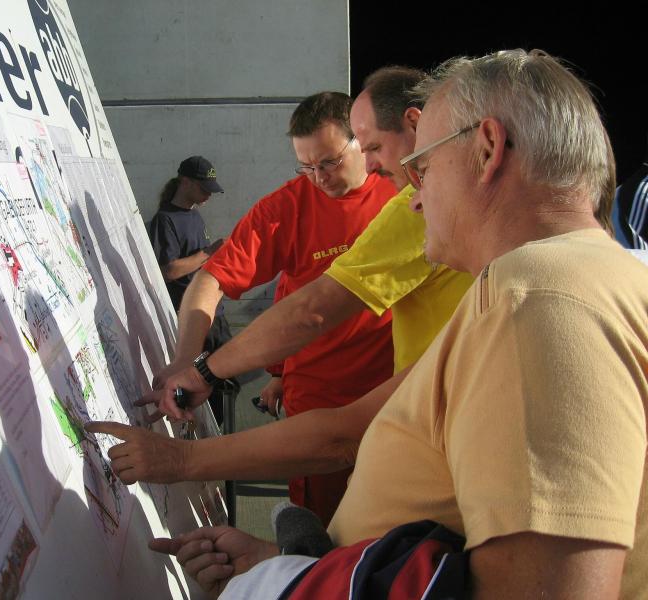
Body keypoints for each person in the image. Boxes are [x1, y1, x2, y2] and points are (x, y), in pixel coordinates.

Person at [148, 49, 648, 598]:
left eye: (424, 170)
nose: (412, 200)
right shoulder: (529, 291)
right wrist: (291, 565)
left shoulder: (538, 302)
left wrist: (292, 584)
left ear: (487, 149)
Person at [151, 91, 399, 524]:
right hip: (320, 407)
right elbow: (211, 280)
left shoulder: (404, 190)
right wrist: (185, 361)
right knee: (327, 532)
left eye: (329, 162)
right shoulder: (287, 208)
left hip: (398, 397)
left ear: (361, 140)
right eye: (306, 166)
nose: (318, 178)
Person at [148, 156, 232, 423]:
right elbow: (170, 270)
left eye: (211, 190)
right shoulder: (165, 220)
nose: (208, 195)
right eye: (204, 188)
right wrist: (209, 253)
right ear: (184, 181)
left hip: (214, 313)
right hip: (194, 320)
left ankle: (219, 434)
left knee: (225, 384)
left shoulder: (194, 215)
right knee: (204, 386)